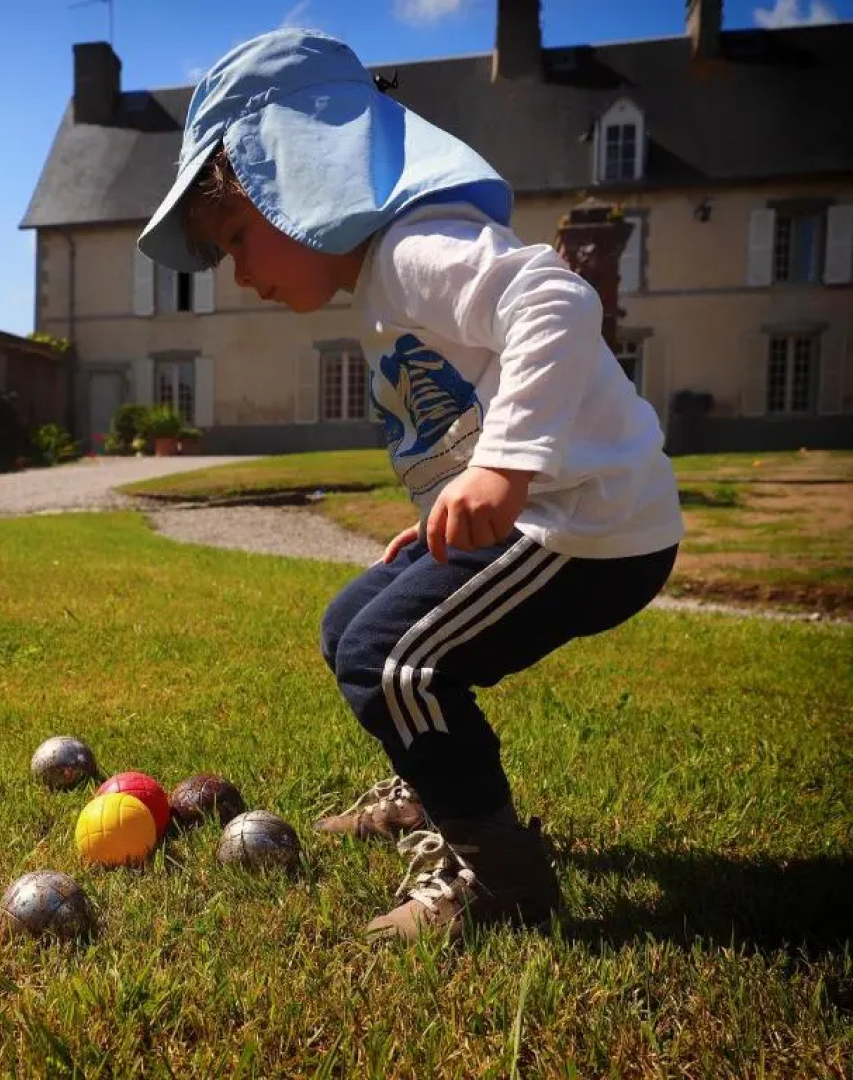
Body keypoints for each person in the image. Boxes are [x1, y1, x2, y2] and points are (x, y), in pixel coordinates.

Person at [137, 28, 684, 941]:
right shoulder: (381, 281)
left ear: (301, 180)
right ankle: (426, 789)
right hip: (547, 514)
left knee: (396, 659)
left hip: (585, 523)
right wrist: (445, 507)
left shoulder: (413, 251)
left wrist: (506, 467)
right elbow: (465, 400)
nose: (240, 274)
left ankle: (503, 883)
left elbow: (553, 300)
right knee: (349, 623)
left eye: (238, 236)